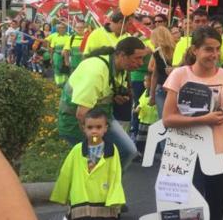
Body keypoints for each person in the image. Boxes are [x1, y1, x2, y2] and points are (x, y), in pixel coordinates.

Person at [162, 26, 223, 220]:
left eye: (217, 49)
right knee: (189, 212)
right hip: (187, 153)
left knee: (216, 210)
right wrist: (203, 120)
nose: (214, 54)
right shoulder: (180, 75)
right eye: (208, 49)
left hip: (222, 151)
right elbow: (167, 119)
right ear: (195, 50)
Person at [57, 37, 145, 170]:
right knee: (95, 162)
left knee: (128, 151)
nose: (141, 63)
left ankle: (109, 186)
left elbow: (104, 92)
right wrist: (95, 145)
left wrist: (115, 97)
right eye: (137, 58)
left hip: (103, 118)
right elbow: (81, 114)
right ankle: (95, 184)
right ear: (121, 55)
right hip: (77, 124)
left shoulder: (120, 68)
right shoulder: (96, 70)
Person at [51, 108, 126, 219]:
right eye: (90, 127)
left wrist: (115, 198)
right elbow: (66, 173)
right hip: (81, 198)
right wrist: (61, 196)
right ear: (84, 129)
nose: (94, 131)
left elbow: (115, 174)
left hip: (103, 197)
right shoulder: (77, 150)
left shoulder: (111, 150)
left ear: (105, 128)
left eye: (98, 127)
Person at [148, 26, 175, 119]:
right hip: (162, 89)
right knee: (163, 119)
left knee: (166, 119)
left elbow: (155, 75)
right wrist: (151, 95)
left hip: (172, 90)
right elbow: (155, 74)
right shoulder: (156, 53)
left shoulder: (177, 49)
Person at [134, 73, 158, 155]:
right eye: (144, 80)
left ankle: (147, 154)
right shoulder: (145, 92)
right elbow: (141, 101)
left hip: (151, 120)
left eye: (148, 81)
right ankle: (140, 153)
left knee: (149, 139)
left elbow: (144, 103)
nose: (145, 83)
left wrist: (139, 107)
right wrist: (138, 107)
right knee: (141, 138)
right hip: (144, 119)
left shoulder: (155, 93)